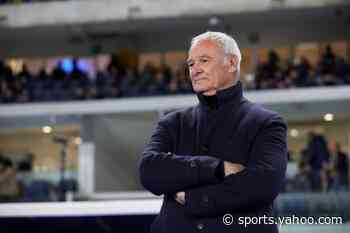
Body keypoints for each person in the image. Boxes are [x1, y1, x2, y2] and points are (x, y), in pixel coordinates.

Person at [139, 31, 288, 233]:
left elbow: (263, 185)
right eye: (191, 64)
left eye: (204, 60)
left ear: (232, 63)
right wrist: (217, 168)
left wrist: (193, 198)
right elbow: (150, 172)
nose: (195, 70)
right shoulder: (172, 123)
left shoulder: (267, 123)